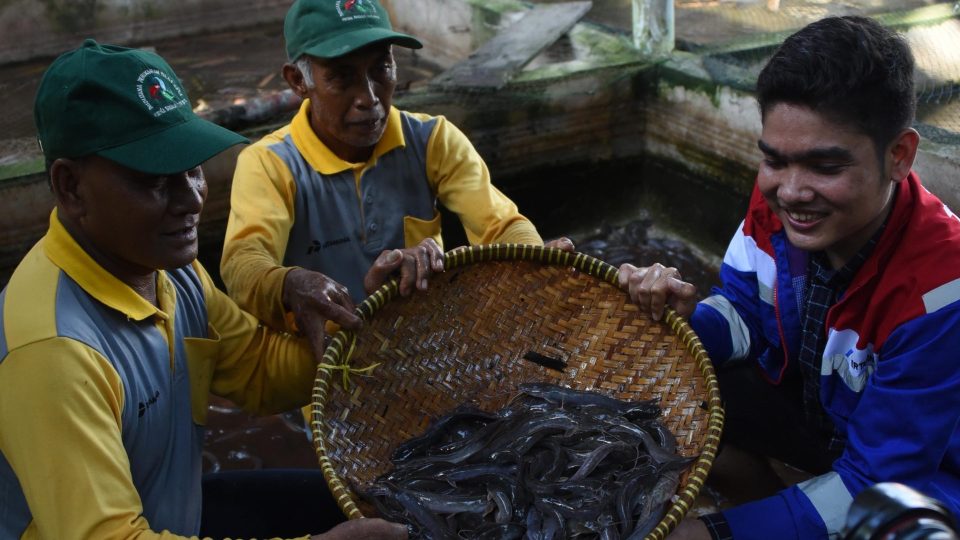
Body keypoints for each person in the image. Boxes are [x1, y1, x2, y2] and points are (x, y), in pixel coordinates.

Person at [0, 39, 405, 540]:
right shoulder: (54, 351)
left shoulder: (167, 269)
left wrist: (371, 320)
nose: (191, 200)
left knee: (378, 502)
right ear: (70, 187)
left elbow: (257, 369)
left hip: (173, 511)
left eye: (191, 169)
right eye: (154, 181)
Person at [618, 16, 960, 540]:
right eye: (774, 160)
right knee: (672, 383)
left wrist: (714, 534)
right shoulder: (780, 201)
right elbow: (743, 308)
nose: (792, 192)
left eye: (825, 167)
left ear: (899, 155)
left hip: (921, 470)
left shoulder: (943, 292)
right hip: (825, 419)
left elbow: (875, 482)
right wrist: (680, 320)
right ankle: (773, 506)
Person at [220, 0, 572, 358]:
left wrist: (535, 261)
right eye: (342, 77)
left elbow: (500, 225)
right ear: (298, 82)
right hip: (330, 365)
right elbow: (243, 262)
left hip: (430, 350)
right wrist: (290, 283)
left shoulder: (433, 139)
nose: (369, 98)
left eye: (381, 69)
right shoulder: (270, 164)